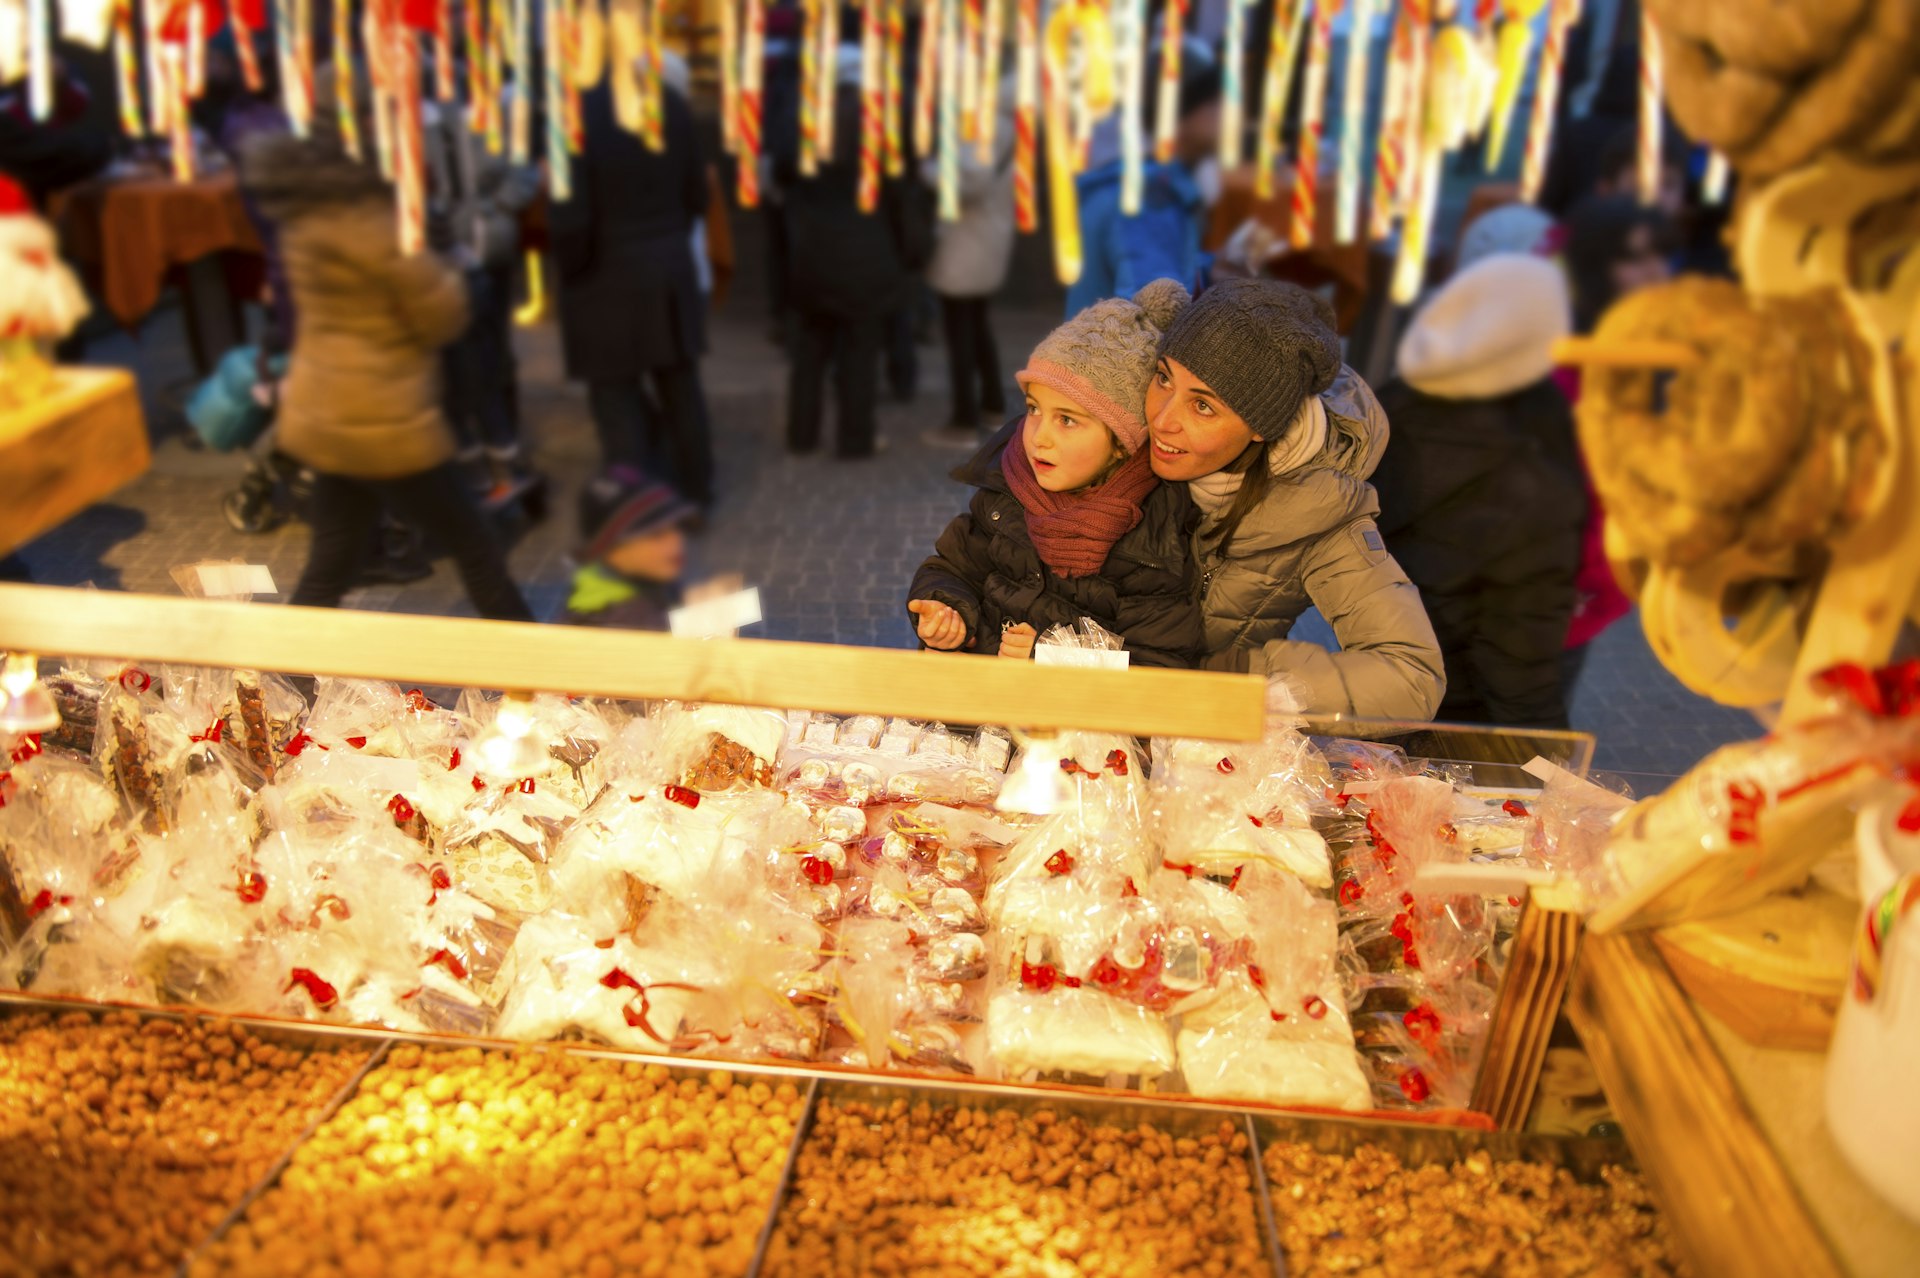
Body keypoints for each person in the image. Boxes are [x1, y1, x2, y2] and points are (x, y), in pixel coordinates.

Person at [239, 73, 532, 621]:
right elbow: (441, 315)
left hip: (328, 411)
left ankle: (283, 681)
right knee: (475, 545)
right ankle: (541, 677)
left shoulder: (308, 209)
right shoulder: (370, 219)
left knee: (331, 560)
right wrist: (448, 266)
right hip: (384, 418)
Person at [1144, 278, 1445, 718]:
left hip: (1196, 736)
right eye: (1164, 378)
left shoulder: (1320, 509)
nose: (1161, 419)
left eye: (1203, 406)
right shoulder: (1117, 434)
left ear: (1261, 425)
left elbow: (1410, 675)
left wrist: (1234, 680)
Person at [908, 280, 1205, 668]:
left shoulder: (1154, 536)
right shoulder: (1006, 491)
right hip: (983, 703)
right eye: (1034, 409)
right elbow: (953, 567)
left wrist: (1053, 658)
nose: (1037, 438)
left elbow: (1159, 664)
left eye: (1067, 420)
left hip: (1071, 725)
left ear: (1121, 441)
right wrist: (948, 610)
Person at [1372, 254, 1589, 728]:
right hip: (1470, 712)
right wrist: (1555, 775)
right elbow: (1520, 671)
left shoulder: (1384, 408)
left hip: (1385, 682)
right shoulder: (1534, 484)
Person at [550, 76, 715, 506]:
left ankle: (638, 505)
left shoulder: (573, 112)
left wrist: (572, 268)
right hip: (667, 266)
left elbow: (570, 216)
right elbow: (698, 192)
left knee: (616, 398)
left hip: (602, 275)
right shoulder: (669, 100)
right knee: (680, 386)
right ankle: (697, 489)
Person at [1554, 194, 1677, 692]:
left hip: (1593, 590)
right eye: (1633, 258)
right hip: (1545, 593)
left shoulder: (1652, 354)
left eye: (1659, 254)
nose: (1655, 272)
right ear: (1592, 267)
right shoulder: (1560, 361)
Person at [776, 44, 916, 459]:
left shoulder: (807, 119)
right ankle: (854, 439)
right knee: (860, 352)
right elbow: (897, 192)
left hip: (813, 250)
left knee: (810, 348)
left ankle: (801, 433)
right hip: (866, 253)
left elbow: (783, 172)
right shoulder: (878, 123)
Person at [423, 93, 540, 499]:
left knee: (491, 360)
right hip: (437, 262)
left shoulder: (490, 109)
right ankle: (476, 465)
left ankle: (505, 456)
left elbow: (523, 172)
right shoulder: (409, 121)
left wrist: (492, 209)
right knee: (455, 369)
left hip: (488, 252)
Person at [1064, 61, 1221, 315]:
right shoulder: (1148, 200)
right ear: (1180, 114)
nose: (1231, 114)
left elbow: (1161, 267)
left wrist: (1209, 269)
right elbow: (1154, 312)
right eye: (1215, 103)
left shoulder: (1154, 187)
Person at [921, 80, 1017, 439]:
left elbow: (970, 185)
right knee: (975, 324)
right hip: (985, 237)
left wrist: (929, 173)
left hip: (967, 240)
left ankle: (962, 421)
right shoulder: (1005, 126)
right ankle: (991, 405)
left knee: (960, 327)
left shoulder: (988, 129)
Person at [563, 466, 700, 629]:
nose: (677, 539)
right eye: (656, 533)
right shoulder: (620, 628)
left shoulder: (642, 576)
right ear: (610, 549)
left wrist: (691, 602)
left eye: (676, 526)